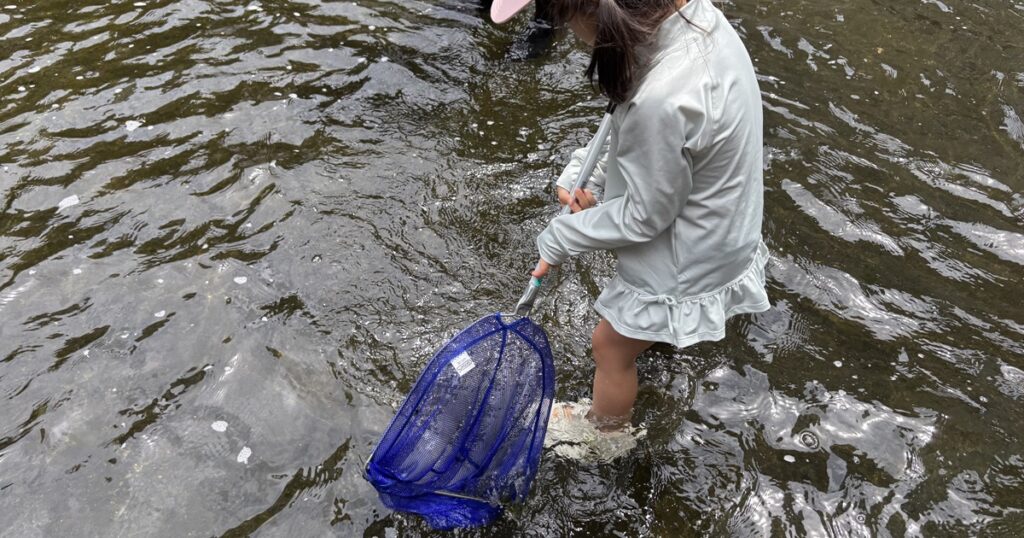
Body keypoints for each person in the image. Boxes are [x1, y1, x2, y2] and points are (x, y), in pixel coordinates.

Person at [491, 0, 771, 460]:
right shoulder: (691, 17)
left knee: (610, 344)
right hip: (726, 218)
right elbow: (637, 130)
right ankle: (660, 334)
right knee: (634, 330)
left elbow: (645, 216)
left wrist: (559, 238)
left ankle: (605, 435)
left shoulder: (661, 99)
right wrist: (589, 173)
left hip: (692, 247)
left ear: (592, 19)